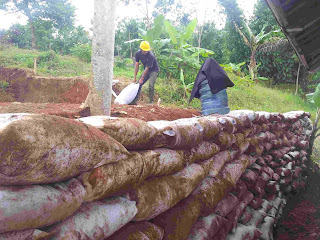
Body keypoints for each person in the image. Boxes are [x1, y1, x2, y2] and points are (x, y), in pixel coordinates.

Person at [129, 41, 160, 105]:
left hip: (154, 70)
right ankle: (134, 101)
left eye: (147, 51)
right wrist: (135, 77)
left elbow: (147, 68)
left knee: (151, 85)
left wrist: (142, 78)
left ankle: (151, 102)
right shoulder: (138, 54)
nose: (146, 52)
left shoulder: (151, 56)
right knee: (138, 84)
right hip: (146, 70)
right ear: (141, 49)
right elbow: (136, 65)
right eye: (144, 51)